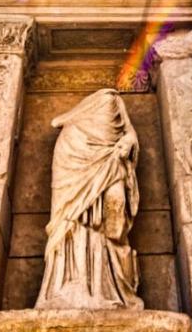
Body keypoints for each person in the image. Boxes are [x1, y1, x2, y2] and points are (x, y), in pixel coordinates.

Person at [36, 88, 144, 311]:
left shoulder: (114, 119)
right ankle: (66, 286)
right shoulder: (74, 135)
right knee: (69, 223)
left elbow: (117, 213)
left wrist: (129, 140)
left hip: (107, 164)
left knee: (107, 217)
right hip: (72, 168)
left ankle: (105, 286)